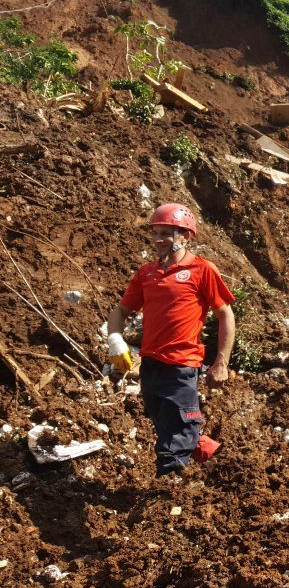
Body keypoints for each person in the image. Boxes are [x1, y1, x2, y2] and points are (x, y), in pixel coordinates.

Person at [107, 203, 233, 477]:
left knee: (172, 447)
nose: (158, 240)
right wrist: (114, 338)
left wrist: (221, 362)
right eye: (156, 233)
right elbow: (121, 310)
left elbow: (225, 314)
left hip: (181, 368)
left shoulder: (202, 270)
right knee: (169, 426)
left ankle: (168, 497)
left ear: (185, 236)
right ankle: (217, 462)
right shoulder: (147, 273)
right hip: (150, 366)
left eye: (166, 233)